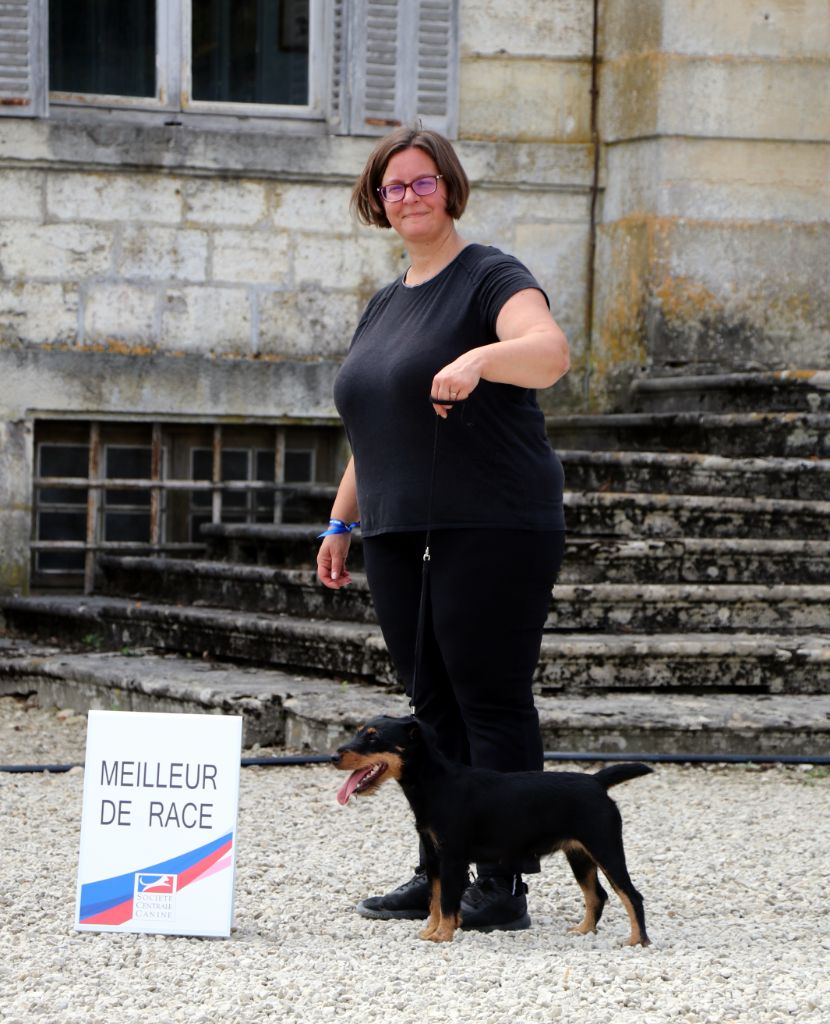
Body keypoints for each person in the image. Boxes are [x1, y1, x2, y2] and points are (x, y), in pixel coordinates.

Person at [317, 126, 569, 932]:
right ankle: (443, 874)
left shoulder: (489, 274)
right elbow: (374, 426)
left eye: (424, 183)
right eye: (395, 188)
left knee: (487, 699)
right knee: (429, 706)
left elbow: (549, 351)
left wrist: (482, 359)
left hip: (493, 520)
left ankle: (502, 885)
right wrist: (340, 519)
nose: (410, 198)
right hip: (397, 529)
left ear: (450, 189)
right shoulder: (386, 303)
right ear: (377, 201)